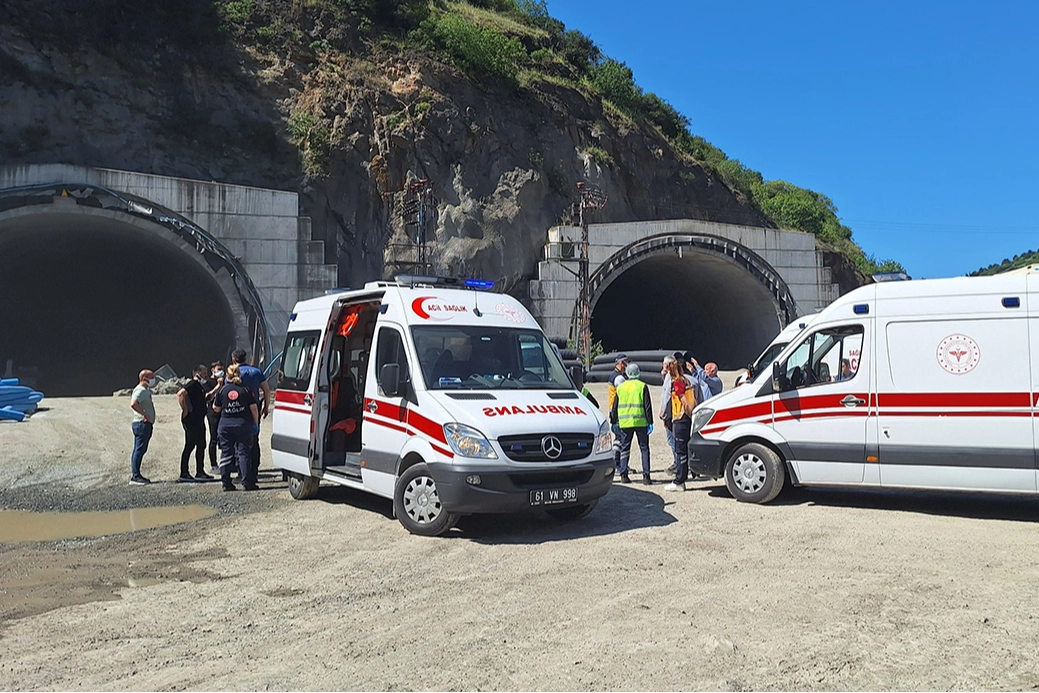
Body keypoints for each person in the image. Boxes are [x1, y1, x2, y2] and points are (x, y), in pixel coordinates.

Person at [213, 363, 260, 491]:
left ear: (227, 376)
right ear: (239, 375)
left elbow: (215, 408)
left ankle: (226, 483)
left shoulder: (222, 390)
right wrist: (255, 423)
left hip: (225, 425)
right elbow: (254, 408)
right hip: (243, 425)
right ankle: (247, 482)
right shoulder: (245, 390)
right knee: (243, 453)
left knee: (226, 453)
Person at [611, 363, 654, 484]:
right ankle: (646, 476)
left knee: (625, 448)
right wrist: (650, 422)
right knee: (644, 448)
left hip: (625, 422)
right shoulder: (642, 386)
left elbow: (615, 406)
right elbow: (647, 406)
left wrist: (613, 421)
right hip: (641, 422)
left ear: (627, 374)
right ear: (638, 373)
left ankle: (624, 475)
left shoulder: (620, 388)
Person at [232, 349, 270, 482]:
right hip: (255, 407)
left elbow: (228, 391)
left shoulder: (232, 373)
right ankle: (254, 470)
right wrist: (266, 407)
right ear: (246, 359)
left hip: (237, 408)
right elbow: (266, 390)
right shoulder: (256, 372)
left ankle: (241, 472)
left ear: (233, 360)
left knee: (239, 441)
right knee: (254, 439)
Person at [663, 356, 697, 492]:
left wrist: (687, 413)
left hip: (680, 418)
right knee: (684, 449)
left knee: (680, 450)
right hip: (686, 419)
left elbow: (684, 400)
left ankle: (679, 481)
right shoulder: (686, 380)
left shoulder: (677, 383)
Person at [177, 365, 214, 482]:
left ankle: (200, 471)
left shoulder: (200, 386)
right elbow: (181, 394)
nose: (206, 375)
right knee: (190, 445)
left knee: (201, 444)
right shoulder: (192, 384)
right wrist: (185, 410)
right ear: (197, 373)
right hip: (192, 420)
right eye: (204, 373)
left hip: (199, 420)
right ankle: (184, 473)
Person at [128, 369, 157, 485]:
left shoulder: (145, 390)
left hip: (144, 424)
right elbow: (133, 403)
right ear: (144, 378)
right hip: (142, 424)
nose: (154, 379)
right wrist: (144, 414)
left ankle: (136, 475)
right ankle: (135, 476)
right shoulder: (140, 390)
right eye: (152, 377)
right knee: (139, 449)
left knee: (141, 449)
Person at [202, 360, 225, 471]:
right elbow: (207, 397)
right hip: (213, 414)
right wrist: (218, 386)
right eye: (218, 370)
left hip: (224, 413)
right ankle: (213, 464)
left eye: (222, 369)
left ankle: (227, 462)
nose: (221, 372)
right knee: (214, 438)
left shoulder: (225, 381)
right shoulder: (208, 382)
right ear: (213, 370)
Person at [606, 353, 628, 469]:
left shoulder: (613, 375)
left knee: (618, 439)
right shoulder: (619, 378)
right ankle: (620, 464)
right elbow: (624, 393)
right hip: (619, 411)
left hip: (614, 410)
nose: (626, 365)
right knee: (621, 439)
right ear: (620, 363)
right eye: (625, 362)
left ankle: (618, 462)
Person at [659, 354, 678, 469]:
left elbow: (666, 397)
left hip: (670, 414)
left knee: (672, 440)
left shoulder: (669, 377)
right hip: (675, 412)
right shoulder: (674, 375)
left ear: (666, 365)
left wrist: (664, 415)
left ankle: (677, 463)